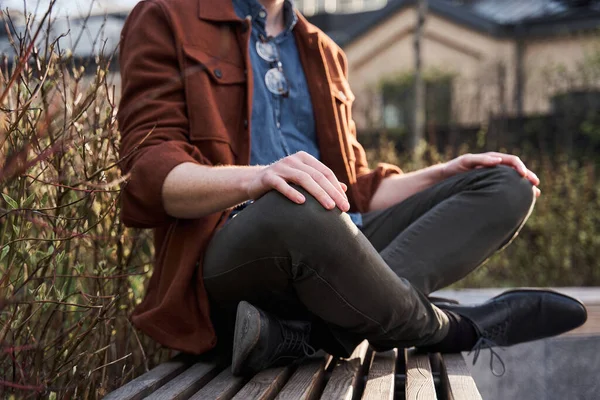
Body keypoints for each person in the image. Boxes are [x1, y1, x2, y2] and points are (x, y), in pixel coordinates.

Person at [117, 0, 587, 377]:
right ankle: (452, 329)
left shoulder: (322, 50)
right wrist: (258, 178)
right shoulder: (166, 15)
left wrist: (443, 173)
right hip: (236, 260)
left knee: (506, 183)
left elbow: (355, 192)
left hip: (338, 246)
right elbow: (149, 176)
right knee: (296, 202)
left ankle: (308, 334)